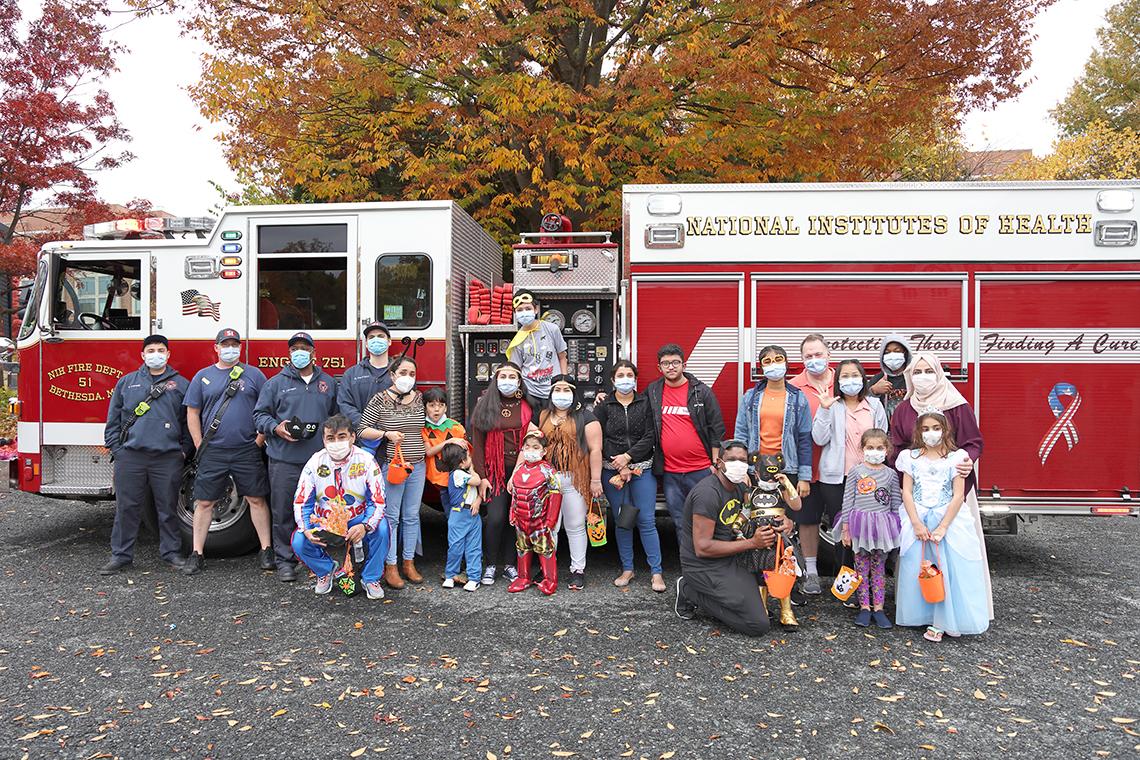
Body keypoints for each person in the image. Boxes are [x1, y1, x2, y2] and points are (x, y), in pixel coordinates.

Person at [888, 351, 993, 620]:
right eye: (917, 373)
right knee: (918, 553)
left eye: (929, 371)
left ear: (939, 373)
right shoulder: (904, 409)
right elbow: (896, 446)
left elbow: (973, 441)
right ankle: (920, 610)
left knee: (956, 553)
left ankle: (956, 611)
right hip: (918, 493)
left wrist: (966, 461)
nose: (923, 377)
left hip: (952, 491)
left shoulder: (957, 404)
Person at [182, 328, 272, 576]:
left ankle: (266, 550)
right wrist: (200, 444)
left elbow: (266, 409)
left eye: (235, 344)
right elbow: (192, 412)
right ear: (216, 347)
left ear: (240, 347)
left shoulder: (254, 375)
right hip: (213, 451)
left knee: (256, 499)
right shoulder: (203, 377)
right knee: (204, 501)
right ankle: (197, 553)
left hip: (247, 449)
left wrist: (258, 441)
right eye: (225, 344)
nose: (230, 348)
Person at [895, 412, 990, 640]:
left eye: (936, 427)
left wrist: (943, 526)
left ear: (945, 429)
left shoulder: (956, 457)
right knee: (919, 565)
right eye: (925, 429)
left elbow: (958, 495)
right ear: (918, 431)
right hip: (918, 517)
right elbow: (906, 491)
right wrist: (916, 523)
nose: (931, 433)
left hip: (947, 518)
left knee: (947, 566)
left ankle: (944, 619)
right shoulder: (910, 457)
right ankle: (923, 614)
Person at [100, 334, 191, 575]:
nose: (155, 354)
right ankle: (121, 555)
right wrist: (118, 451)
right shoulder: (127, 383)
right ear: (142, 355)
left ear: (168, 354)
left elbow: (188, 423)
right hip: (131, 457)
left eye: (161, 350)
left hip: (167, 458)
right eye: (150, 350)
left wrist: (183, 451)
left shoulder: (181, 385)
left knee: (167, 507)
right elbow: (113, 421)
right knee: (126, 507)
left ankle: (171, 552)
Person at [252, 332, 339, 582]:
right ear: (289, 354)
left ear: (314, 352)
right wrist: (276, 428)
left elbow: (336, 417)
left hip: (320, 462)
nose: (299, 352)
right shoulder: (275, 383)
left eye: (304, 348)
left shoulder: (328, 383)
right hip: (284, 460)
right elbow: (259, 416)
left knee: (320, 512)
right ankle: (285, 561)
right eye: (294, 349)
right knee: (284, 513)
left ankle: (316, 560)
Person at [673, 441, 780, 637]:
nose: (738, 464)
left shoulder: (739, 487)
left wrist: (785, 522)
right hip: (703, 566)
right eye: (732, 460)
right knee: (758, 625)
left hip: (731, 557)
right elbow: (702, 548)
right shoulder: (707, 494)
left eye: (742, 460)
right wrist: (752, 543)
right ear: (719, 462)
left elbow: (757, 514)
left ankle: (745, 599)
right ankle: (689, 590)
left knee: (779, 557)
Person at [290, 415, 389, 600]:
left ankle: (370, 578)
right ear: (323, 440)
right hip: (326, 520)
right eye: (330, 438)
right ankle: (327, 570)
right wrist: (307, 529)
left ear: (352, 437)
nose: (336, 442)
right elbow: (302, 501)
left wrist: (365, 525)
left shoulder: (366, 460)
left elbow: (378, 501)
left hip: (357, 518)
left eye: (342, 437)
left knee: (382, 528)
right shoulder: (314, 462)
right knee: (299, 540)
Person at [594, 361, 665, 592]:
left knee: (646, 520)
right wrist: (619, 462)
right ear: (613, 380)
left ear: (635, 379)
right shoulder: (604, 405)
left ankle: (656, 571)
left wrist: (629, 457)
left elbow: (650, 435)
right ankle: (628, 568)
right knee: (623, 521)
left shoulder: (646, 402)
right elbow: (598, 437)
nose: (625, 379)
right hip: (612, 471)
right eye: (620, 375)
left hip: (642, 469)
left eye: (629, 375)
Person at [357, 355, 427, 589]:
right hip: (394, 468)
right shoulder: (380, 399)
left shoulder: (419, 398)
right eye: (403, 372)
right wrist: (385, 434)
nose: (408, 378)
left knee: (412, 516)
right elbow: (362, 430)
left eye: (412, 374)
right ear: (392, 375)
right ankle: (391, 566)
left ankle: (409, 562)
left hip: (418, 465)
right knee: (392, 517)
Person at [470, 362, 539, 586]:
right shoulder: (484, 406)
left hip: (521, 469)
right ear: (496, 379)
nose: (507, 380)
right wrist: (482, 477)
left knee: (515, 519)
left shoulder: (528, 405)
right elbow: (478, 445)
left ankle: (510, 564)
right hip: (495, 470)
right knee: (497, 518)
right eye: (503, 376)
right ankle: (490, 564)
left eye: (512, 376)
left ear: (519, 381)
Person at [646, 343, 725, 535]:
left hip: (701, 470)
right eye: (666, 363)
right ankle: (688, 564)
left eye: (675, 362)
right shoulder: (653, 391)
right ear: (659, 368)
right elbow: (634, 408)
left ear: (684, 365)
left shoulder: (700, 391)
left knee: (706, 520)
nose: (671, 367)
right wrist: (603, 398)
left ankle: (707, 563)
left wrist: (715, 463)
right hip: (671, 473)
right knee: (680, 522)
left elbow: (717, 427)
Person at [538, 375, 604, 590]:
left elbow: (595, 450)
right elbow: (534, 445)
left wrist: (595, 480)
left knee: (575, 526)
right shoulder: (543, 416)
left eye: (567, 390)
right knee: (550, 526)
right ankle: (548, 567)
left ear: (574, 392)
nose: (561, 394)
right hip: (549, 480)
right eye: (558, 389)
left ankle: (578, 570)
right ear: (551, 392)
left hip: (575, 479)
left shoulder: (587, 417)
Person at [812, 359, 888, 538]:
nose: (850, 380)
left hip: (870, 476)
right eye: (845, 376)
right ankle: (843, 567)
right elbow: (819, 438)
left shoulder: (874, 405)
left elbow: (883, 436)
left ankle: (868, 566)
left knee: (868, 528)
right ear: (838, 381)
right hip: (837, 480)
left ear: (863, 378)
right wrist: (823, 410)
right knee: (841, 531)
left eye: (855, 375)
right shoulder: (831, 406)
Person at [834, 429, 902, 628]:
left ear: (887, 449)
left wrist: (897, 530)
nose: (875, 451)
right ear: (862, 449)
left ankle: (879, 608)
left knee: (879, 568)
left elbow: (896, 504)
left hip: (882, 528)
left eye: (879, 448)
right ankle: (864, 607)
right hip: (860, 527)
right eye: (870, 447)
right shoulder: (856, 471)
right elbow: (848, 500)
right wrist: (846, 529)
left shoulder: (891, 475)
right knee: (861, 567)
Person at [788, 333, 836, 594]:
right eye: (808, 356)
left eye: (818, 354)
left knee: (844, 521)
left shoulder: (844, 380)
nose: (814, 360)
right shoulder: (794, 387)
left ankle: (847, 574)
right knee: (807, 520)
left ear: (828, 354)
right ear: (802, 359)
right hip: (809, 467)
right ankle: (811, 573)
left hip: (842, 468)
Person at [735, 344, 812, 497]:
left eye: (778, 360)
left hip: (787, 469)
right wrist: (741, 469)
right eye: (767, 361)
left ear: (786, 363)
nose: (773, 365)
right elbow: (741, 435)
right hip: (755, 468)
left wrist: (804, 478)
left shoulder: (798, 398)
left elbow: (805, 439)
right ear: (761, 367)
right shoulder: (750, 397)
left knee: (786, 518)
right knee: (757, 515)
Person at [507, 431, 563, 596]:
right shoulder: (518, 469)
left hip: (539, 521)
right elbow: (515, 495)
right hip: (521, 520)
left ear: (544, 451)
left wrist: (550, 521)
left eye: (536, 447)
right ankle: (523, 578)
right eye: (527, 446)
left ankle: (550, 580)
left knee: (545, 550)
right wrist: (512, 513)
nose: (530, 450)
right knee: (522, 548)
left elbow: (556, 495)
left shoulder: (548, 471)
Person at [336, 321, 394, 453]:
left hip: (392, 444)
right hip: (360, 443)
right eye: (371, 338)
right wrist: (367, 427)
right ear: (366, 344)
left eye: (381, 336)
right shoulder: (351, 374)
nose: (376, 340)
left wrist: (388, 428)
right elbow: (345, 405)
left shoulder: (400, 372)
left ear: (389, 341)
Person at [505, 290, 568, 400]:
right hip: (530, 393)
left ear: (536, 309)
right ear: (515, 313)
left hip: (553, 390)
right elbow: (516, 369)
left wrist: (564, 382)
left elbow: (562, 357)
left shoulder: (552, 329)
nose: (524, 312)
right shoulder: (517, 340)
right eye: (520, 310)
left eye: (528, 308)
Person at [439, 443, 482, 592]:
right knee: (456, 547)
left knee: (473, 547)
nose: (471, 459)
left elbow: (476, 491)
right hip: (459, 514)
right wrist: (473, 470)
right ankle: (450, 575)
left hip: (472, 513)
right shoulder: (458, 474)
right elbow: (477, 481)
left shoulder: (462, 473)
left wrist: (478, 500)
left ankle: (474, 577)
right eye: (468, 457)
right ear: (462, 462)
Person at [421, 387, 469, 493]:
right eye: (432, 405)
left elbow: (467, 451)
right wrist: (448, 441)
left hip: (458, 476)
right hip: (438, 477)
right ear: (425, 408)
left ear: (446, 408)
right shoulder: (423, 429)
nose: (437, 409)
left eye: (441, 405)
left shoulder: (456, 427)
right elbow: (428, 452)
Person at [868, 333, 912, 422]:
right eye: (887, 352)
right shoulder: (878, 378)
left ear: (905, 353)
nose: (892, 355)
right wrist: (873, 391)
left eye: (897, 351)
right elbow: (859, 402)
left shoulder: (913, 376)